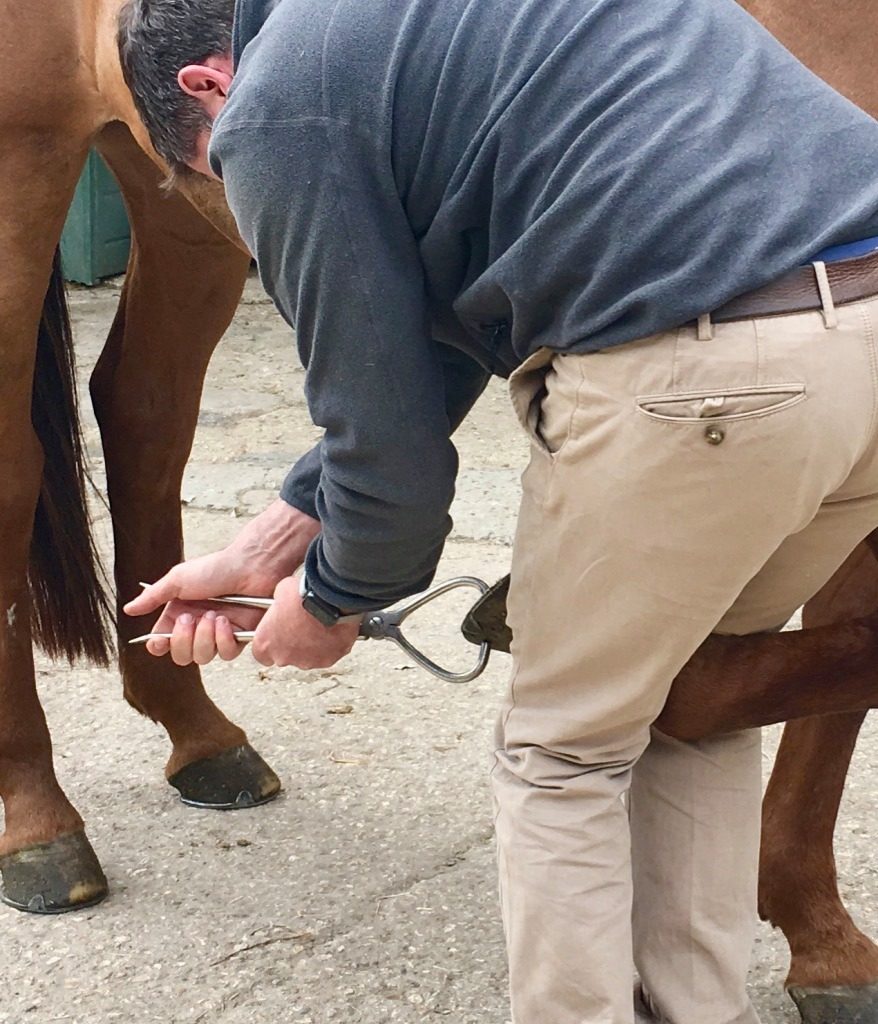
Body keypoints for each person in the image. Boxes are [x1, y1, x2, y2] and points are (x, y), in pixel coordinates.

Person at [118, 0, 878, 1020]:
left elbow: (388, 462)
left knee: (559, 753)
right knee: (685, 699)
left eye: (216, 177)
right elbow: (421, 347)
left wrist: (333, 602)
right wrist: (268, 543)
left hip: (710, 372)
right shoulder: (415, 36)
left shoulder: (270, 107)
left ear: (204, 85)